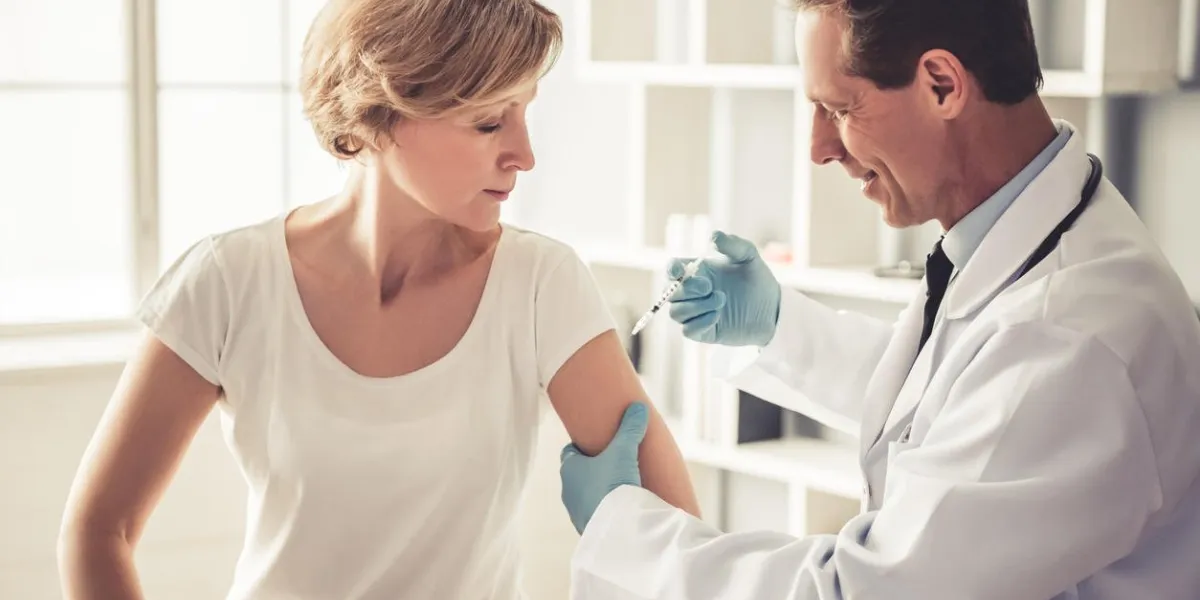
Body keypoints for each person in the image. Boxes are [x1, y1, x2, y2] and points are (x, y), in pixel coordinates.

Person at [56, 1, 700, 598]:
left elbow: (676, 542)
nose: (524, 155)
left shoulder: (539, 284)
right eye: (487, 122)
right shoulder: (229, 280)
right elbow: (98, 529)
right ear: (380, 112)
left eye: (525, 113)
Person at [559, 0, 1200, 598]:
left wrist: (624, 528)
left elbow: (858, 590)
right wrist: (778, 327)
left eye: (839, 109)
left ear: (942, 84)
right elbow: (960, 394)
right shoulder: (1027, 240)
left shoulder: (1071, 338)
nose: (818, 148)